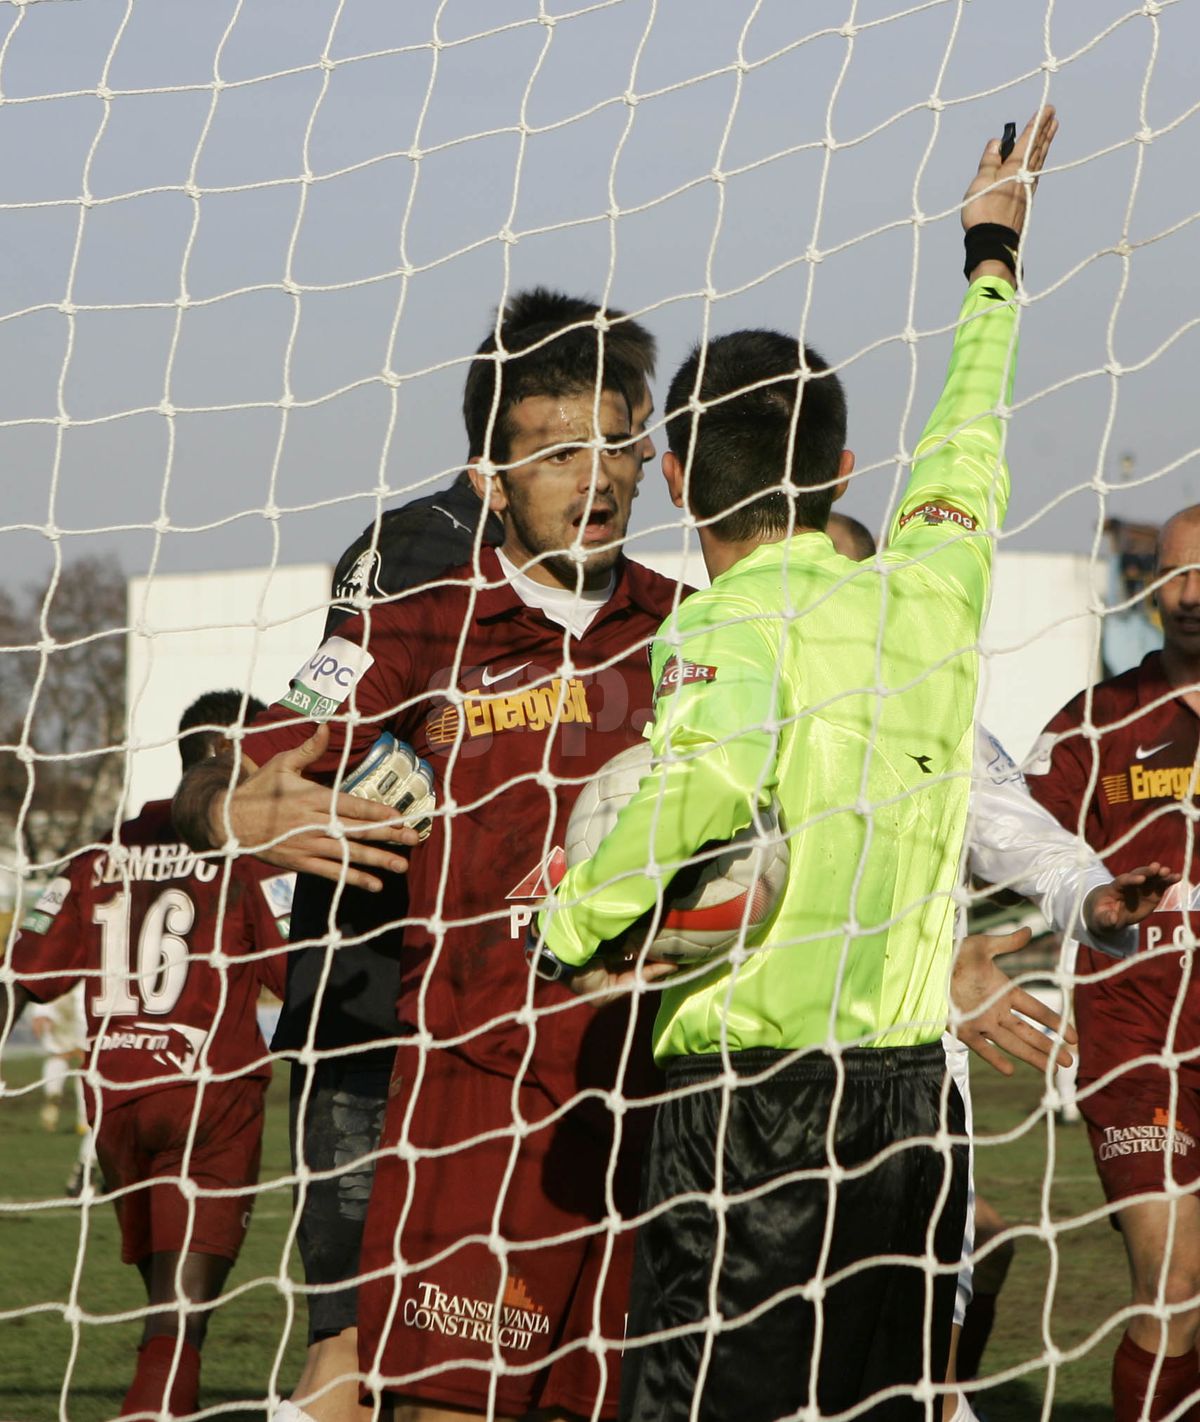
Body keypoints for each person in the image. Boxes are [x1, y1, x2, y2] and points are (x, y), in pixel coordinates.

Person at [533, 110, 1059, 1420]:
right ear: (842, 470)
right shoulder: (935, 579)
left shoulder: (721, 619)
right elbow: (970, 433)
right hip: (910, 1109)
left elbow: (702, 786)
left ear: (665, 474)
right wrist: (990, 260)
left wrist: (571, 924)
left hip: (755, 1109)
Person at [172, 304, 682, 1421]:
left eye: (612, 447)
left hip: (660, 1104)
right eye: (554, 455)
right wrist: (229, 812)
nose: (592, 481)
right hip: (467, 1111)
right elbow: (243, 765)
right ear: (491, 480)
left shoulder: (697, 632)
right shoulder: (409, 633)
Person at [827, 513, 1176, 1418]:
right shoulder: (716, 709)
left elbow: (1020, 832)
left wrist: (1090, 901)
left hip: (906, 1069)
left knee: (976, 1249)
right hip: (1138, 1038)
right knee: (1168, 1284)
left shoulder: (931, 727)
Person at [4, 689, 292, 1420]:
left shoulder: (96, 856)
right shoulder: (247, 853)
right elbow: (300, 972)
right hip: (207, 1104)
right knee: (177, 1323)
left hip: (117, 1110)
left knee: (168, 1319)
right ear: (232, 752)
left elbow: (23, 976)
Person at [1027, 503, 1200, 1421]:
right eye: (1177, 573)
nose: (1194, 594)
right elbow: (1005, 843)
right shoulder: (1096, 724)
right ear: (1151, 586)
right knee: (1169, 1281)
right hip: (1139, 1042)